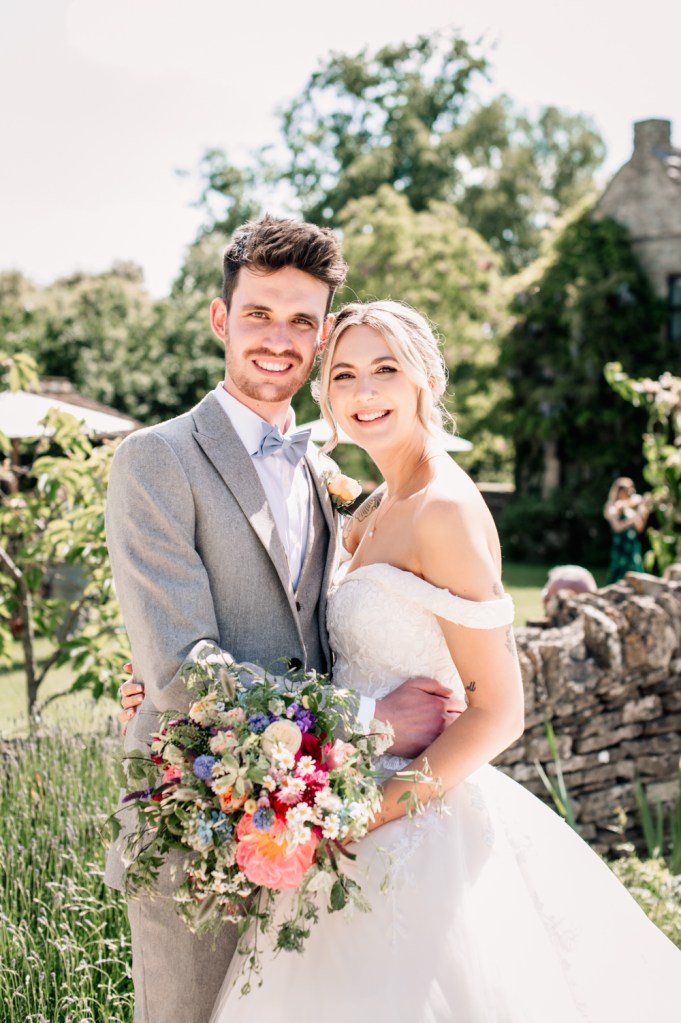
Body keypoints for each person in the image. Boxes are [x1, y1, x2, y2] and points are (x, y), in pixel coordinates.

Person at [207, 300, 680, 1023]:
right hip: (337, 814)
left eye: (384, 370)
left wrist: (367, 815)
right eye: (344, 375)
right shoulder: (369, 504)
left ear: (425, 378)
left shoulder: (445, 508)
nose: (364, 393)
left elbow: (499, 710)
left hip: (410, 828)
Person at [105, 217, 461, 1023]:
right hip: (195, 832)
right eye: (259, 313)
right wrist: (370, 721)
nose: (278, 339)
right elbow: (183, 669)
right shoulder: (155, 459)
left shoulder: (323, 467)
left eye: (301, 320)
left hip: (324, 831)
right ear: (219, 318)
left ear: (323, 333)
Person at [604, 477, 649, 583]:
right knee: (618, 573)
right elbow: (617, 527)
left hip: (632, 546)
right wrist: (630, 519)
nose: (630, 493)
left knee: (635, 572)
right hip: (620, 546)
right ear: (619, 491)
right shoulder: (612, 506)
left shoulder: (631, 508)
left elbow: (639, 529)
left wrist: (643, 515)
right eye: (626, 490)